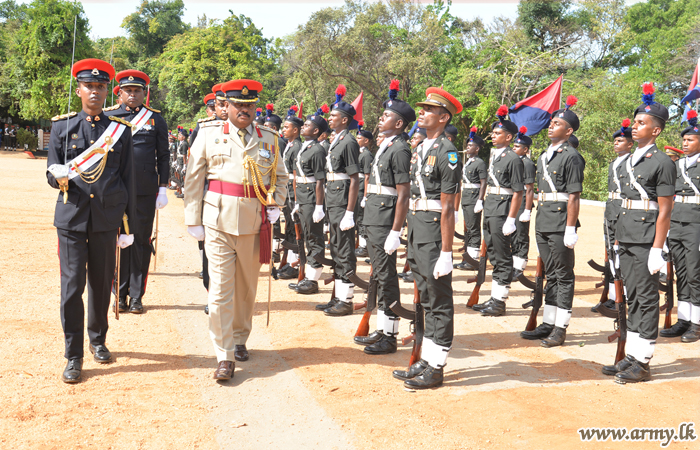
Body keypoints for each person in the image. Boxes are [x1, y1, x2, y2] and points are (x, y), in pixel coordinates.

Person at [184, 79, 287, 381]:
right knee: (219, 290)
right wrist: (193, 218)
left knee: (246, 288)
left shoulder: (268, 137)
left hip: (254, 220)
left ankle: (240, 337)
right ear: (225, 106)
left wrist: (276, 204)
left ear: (255, 108)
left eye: (249, 105)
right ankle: (224, 354)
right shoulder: (207, 134)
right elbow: (193, 179)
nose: (244, 109)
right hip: (217, 219)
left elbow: (280, 177)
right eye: (238, 105)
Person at [46, 58, 137, 383]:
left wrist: (128, 228)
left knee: (100, 285)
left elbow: (128, 180)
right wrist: (56, 176)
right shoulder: (62, 127)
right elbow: (52, 174)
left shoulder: (120, 131)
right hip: (71, 218)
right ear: (79, 89)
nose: (94, 91)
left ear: (106, 90)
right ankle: (73, 355)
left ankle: (98, 340)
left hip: (106, 219)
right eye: (89, 86)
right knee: (72, 289)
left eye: (100, 86)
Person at [600, 83, 675, 383]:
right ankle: (632, 354)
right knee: (631, 295)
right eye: (635, 122)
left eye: (642, 123)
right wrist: (617, 239)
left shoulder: (662, 162)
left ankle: (643, 361)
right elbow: (622, 205)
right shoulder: (627, 161)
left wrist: (658, 248)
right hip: (627, 235)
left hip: (646, 239)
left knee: (645, 298)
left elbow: (666, 210)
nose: (635, 127)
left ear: (655, 131)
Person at [392, 86, 462, 389]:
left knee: (439, 298)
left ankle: (438, 366)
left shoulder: (447, 151)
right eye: (422, 109)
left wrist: (447, 251)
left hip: (434, 231)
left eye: (428, 110)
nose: (421, 113)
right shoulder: (421, 148)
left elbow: (448, 206)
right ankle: (427, 358)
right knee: (425, 297)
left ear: (443, 117)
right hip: (418, 228)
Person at [521, 96, 585, 347]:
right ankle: (548, 321)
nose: (551, 125)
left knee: (563, 274)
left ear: (568, 131)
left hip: (560, 222)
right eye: (551, 122)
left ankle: (560, 327)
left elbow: (574, 195)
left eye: (557, 123)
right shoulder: (543, 156)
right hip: (544, 220)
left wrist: (570, 228)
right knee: (550, 274)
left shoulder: (571, 156)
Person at [355, 79, 413, 354]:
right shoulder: (387, 146)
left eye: (387, 115)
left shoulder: (400, 149)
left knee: (387, 276)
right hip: (375, 218)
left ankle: (389, 336)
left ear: (399, 124)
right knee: (379, 274)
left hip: (384, 220)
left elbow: (403, 193)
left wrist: (395, 231)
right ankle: (382, 329)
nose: (381, 117)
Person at [109, 69, 169, 314]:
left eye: (137, 90)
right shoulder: (109, 117)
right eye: (128, 90)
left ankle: (136, 295)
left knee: (141, 242)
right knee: (117, 242)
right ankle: (119, 293)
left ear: (144, 93)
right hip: (115, 190)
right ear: (119, 93)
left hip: (145, 191)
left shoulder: (155, 119)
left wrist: (163, 188)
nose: (132, 95)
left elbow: (163, 157)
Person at [471, 106, 524, 316]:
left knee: (502, 256)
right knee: (493, 252)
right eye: (493, 133)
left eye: (498, 133)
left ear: (509, 137)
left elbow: (518, 192)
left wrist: (512, 218)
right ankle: (494, 296)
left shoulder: (512, 159)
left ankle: (500, 301)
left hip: (502, 211)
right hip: (491, 208)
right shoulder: (496, 156)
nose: (493, 136)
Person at [320, 85, 361, 316]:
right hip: (333, 201)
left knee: (344, 250)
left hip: (342, 201)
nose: (330, 118)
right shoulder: (337, 140)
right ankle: (336, 295)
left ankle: (346, 300)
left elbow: (354, 179)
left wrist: (349, 211)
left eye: (334, 115)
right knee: (335, 248)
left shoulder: (349, 142)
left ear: (345, 120)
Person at [661, 110, 700, 343]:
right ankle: (684, 320)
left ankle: (697, 323)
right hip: (677, 222)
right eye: (684, 140)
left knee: (696, 275)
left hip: (696, 224)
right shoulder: (677, 165)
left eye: (691, 140)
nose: (685, 144)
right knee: (681, 273)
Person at [593, 118, 633, 314]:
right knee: (610, 254)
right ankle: (612, 295)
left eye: (620, 141)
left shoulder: (632, 162)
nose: (616, 143)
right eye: (615, 141)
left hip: (623, 209)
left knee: (621, 254)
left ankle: (622, 296)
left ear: (630, 144)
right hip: (610, 209)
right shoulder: (613, 163)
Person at [289, 106, 330, 296]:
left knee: (314, 237)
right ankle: (308, 275)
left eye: (307, 125)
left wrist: (319, 207)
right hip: (304, 196)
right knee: (306, 235)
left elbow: (320, 180)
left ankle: (313, 279)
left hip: (313, 197)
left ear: (316, 131)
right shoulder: (305, 147)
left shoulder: (318, 150)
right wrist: (298, 202)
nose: (303, 127)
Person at [276, 105, 304, 280]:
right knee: (289, 228)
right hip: (287, 190)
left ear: (296, 130)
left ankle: (295, 265)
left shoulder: (297, 146)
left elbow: (295, 174)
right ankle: (289, 263)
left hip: (293, 192)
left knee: (295, 229)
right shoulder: (290, 145)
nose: (283, 130)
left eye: (286, 127)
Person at [455, 127, 487, 270]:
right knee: (468, 229)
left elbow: (483, 182)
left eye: (470, 145)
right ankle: (467, 257)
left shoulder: (479, 162)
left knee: (474, 228)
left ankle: (473, 260)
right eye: (467, 145)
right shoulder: (469, 162)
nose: (468, 148)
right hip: (467, 198)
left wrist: (480, 200)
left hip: (474, 198)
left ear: (477, 148)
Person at [511, 126, 536, 279]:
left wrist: (527, 210)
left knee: (521, 234)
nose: (514, 148)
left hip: (523, 203)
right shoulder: (514, 161)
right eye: (513, 146)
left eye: (517, 146)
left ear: (525, 150)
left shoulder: (527, 164)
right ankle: (513, 264)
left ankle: (519, 266)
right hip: (514, 201)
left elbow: (530, 188)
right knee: (512, 234)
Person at [354, 123, 375, 258]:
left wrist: (365, 196)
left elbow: (367, 176)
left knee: (362, 218)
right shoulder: (358, 153)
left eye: (359, 138)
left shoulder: (366, 154)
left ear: (366, 141)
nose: (356, 140)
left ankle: (364, 246)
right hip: (357, 188)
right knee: (358, 218)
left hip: (362, 189)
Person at [175, 127, 189, 198]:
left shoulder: (184, 144)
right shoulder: (181, 143)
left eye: (180, 135)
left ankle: (184, 193)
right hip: (179, 161)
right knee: (180, 176)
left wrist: (184, 165)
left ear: (183, 137)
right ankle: (181, 191)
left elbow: (184, 156)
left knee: (183, 177)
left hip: (182, 162)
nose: (178, 137)